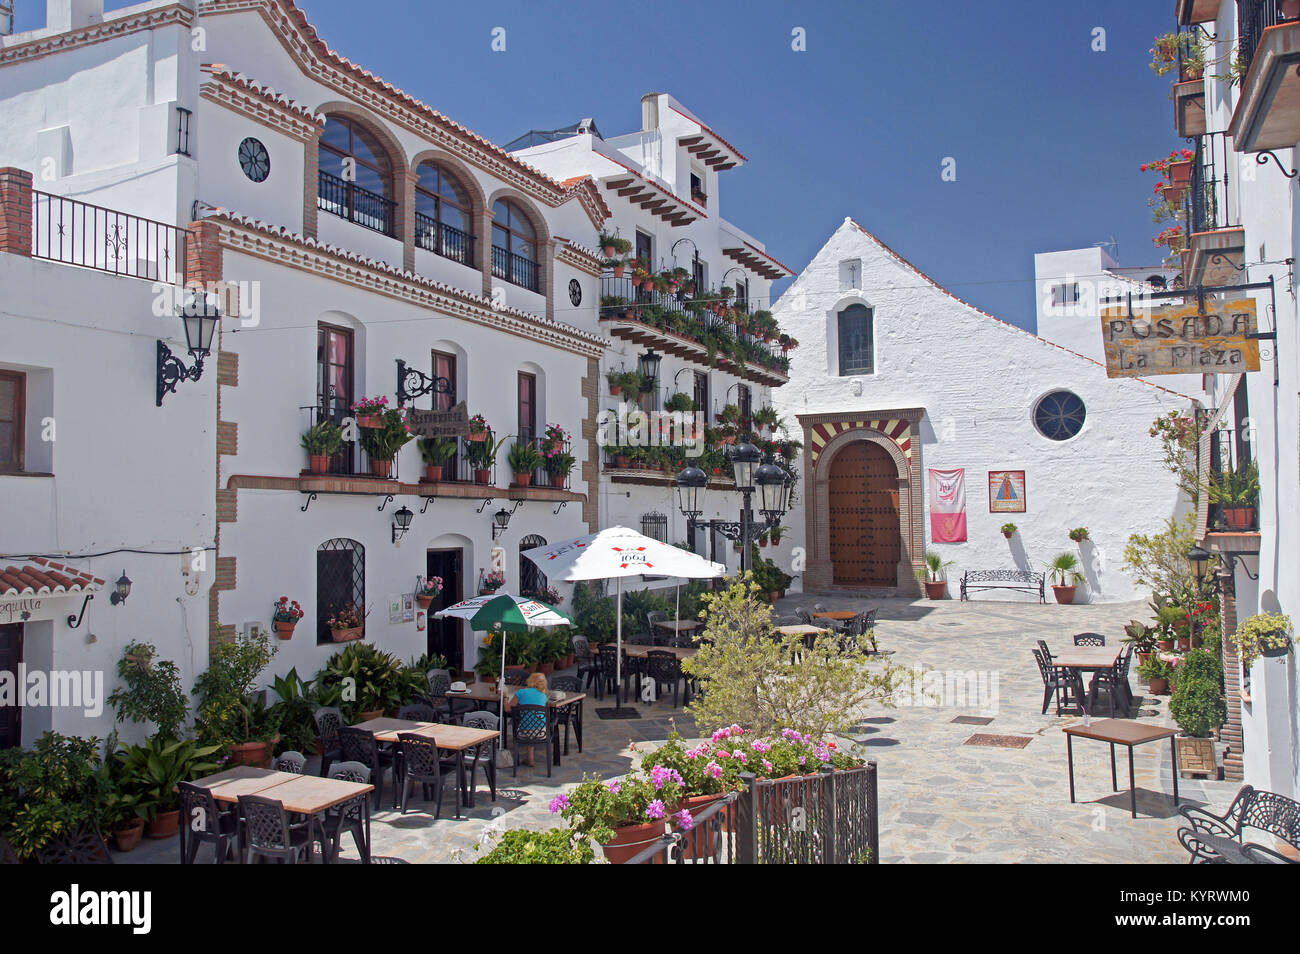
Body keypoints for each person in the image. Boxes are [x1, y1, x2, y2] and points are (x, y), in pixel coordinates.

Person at [505, 673, 548, 767]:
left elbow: (507, 709)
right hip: (542, 733)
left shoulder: (521, 692)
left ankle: (529, 759)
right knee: (534, 721)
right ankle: (530, 759)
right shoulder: (544, 696)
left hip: (523, 732)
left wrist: (505, 697)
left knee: (528, 722)